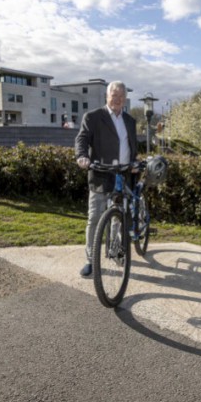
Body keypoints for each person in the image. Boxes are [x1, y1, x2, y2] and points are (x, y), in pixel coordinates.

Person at [75, 81, 138, 277]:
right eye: (114, 95)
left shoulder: (130, 120)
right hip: (101, 174)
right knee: (95, 218)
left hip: (124, 175)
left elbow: (132, 145)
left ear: (125, 99)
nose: (117, 99)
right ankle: (91, 260)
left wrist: (135, 162)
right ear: (106, 96)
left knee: (118, 217)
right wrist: (82, 156)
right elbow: (82, 138)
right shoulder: (93, 117)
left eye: (121, 96)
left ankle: (116, 250)